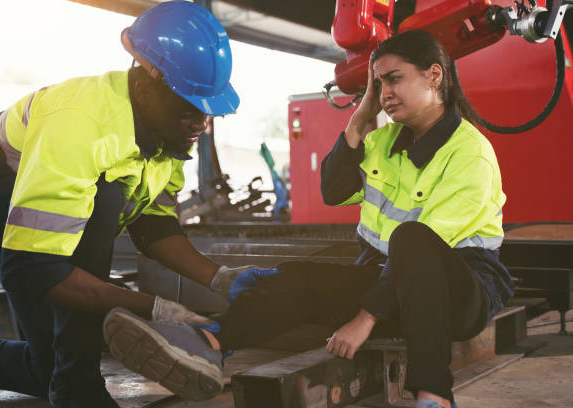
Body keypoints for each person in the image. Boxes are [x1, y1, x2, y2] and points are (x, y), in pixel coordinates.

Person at [103, 30, 514, 408]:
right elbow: (333, 192)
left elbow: (421, 247)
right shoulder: (384, 140)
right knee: (298, 277)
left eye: (394, 79)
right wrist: (359, 117)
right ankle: (208, 343)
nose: (385, 92)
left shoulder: (469, 153)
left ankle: (434, 395)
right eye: (378, 84)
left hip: (460, 292)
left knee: (410, 237)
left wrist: (363, 319)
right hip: (392, 285)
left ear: (434, 76)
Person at [0, 2, 256, 407]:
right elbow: (32, 267)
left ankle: (66, 376)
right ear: (143, 87)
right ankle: (79, 389)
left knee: (46, 367)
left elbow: (153, 225)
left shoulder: (165, 139)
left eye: (206, 109)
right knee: (101, 204)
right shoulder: (82, 125)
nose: (200, 122)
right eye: (189, 105)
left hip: (34, 222)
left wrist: (220, 277)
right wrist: (153, 308)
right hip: (7, 192)